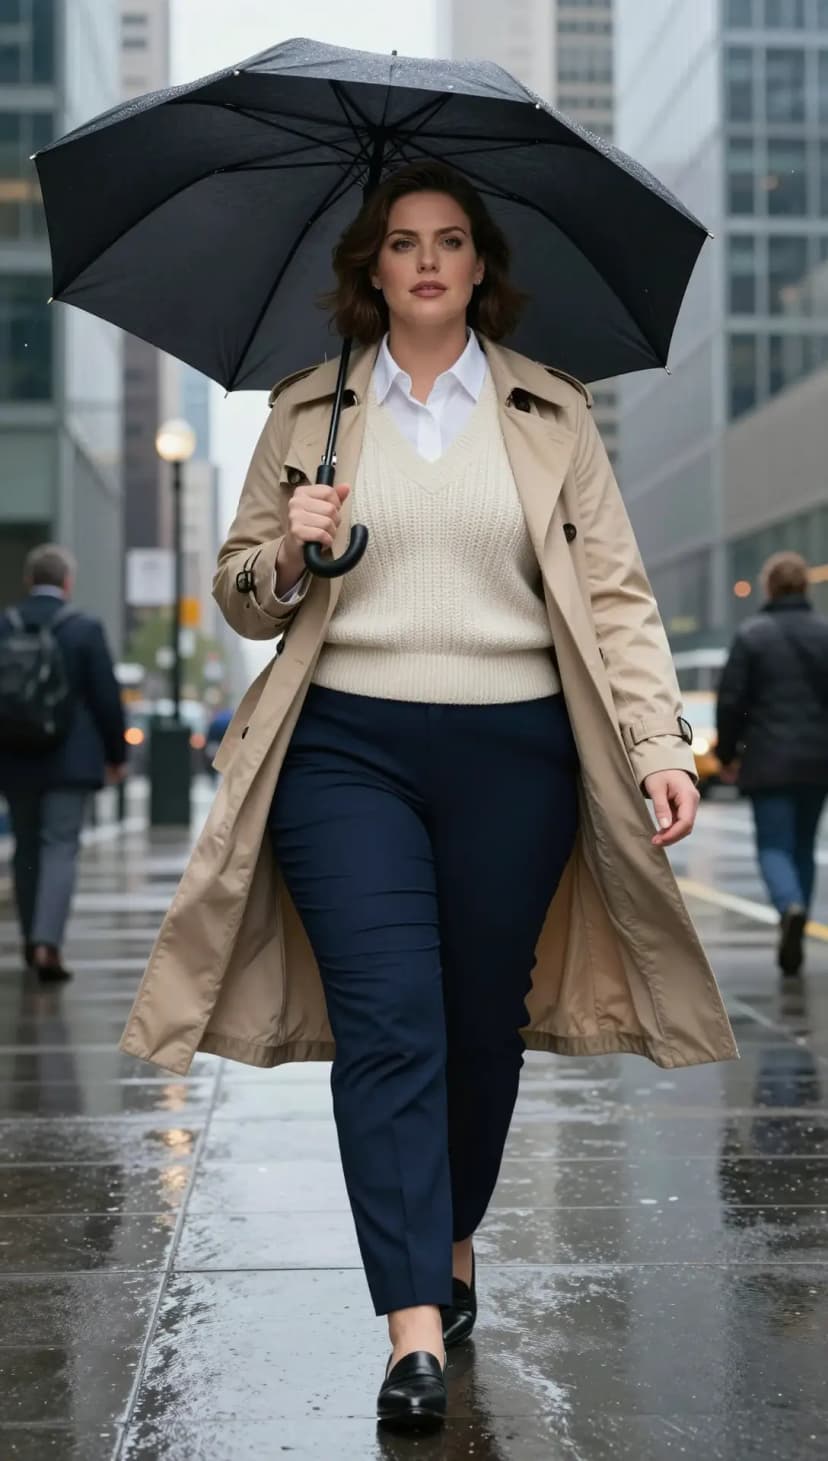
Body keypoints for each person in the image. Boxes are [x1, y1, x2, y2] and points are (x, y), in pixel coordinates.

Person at [120, 161, 737, 1433]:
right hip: (346, 751)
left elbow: (614, 596)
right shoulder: (310, 412)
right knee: (392, 1023)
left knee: (476, 1024)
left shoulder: (551, 413)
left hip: (518, 752)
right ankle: (412, 1326)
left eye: (451, 241)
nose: (428, 261)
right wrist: (293, 547)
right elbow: (240, 593)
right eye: (403, 242)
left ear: (480, 265)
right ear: (372, 267)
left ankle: (448, 1238)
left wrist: (660, 744)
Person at [0, 544, 126, 981]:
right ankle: (47, 945)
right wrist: (116, 756)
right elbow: (107, 699)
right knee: (59, 847)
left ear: (28, 580)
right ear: (67, 582)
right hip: (70, 762)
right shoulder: (84, 628)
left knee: (26, 848)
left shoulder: (5, 624)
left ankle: (29, 940)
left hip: (14, 758)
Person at [717, 550, 828, 976]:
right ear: (805, 586)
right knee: (803, 844)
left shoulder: (752, 635)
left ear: (768, 586)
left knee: (772, 845)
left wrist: (727, 754)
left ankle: (789, 905)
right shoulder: (824, 633)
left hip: (769, 758)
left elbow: (732, 702)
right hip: (819, 760)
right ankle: (799, 907)